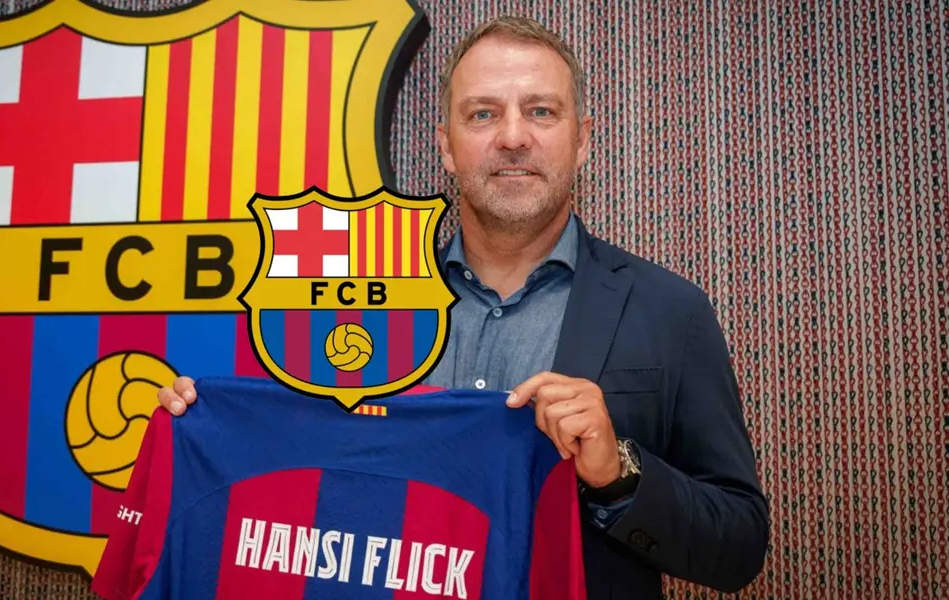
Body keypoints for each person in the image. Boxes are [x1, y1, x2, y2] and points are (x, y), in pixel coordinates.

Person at [157, 15, 769, 599]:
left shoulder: (669, 311)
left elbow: (738, 545)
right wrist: (206, 427)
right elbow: (292, 481)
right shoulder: (346, 311)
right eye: (482, 113)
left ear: (582, 140)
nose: (511, 136)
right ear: (446, 146)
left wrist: (619, 473)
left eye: (541, 111)